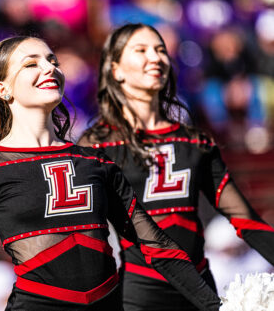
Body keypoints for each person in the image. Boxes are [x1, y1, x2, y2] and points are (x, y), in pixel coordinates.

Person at [0, 36, 221, 311]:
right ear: (3, 89)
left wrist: (217, 306)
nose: (49, 68)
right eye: (31, 63)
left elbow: (156, 244)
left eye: (53, 61)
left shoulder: (94, 161)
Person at [78, 23, 274, 311]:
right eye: (141, 50)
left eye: (160, 50)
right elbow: (84, 233)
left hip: (201, 293)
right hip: (138, 295)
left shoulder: (194, 142)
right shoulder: (97, 145)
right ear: (115, 68)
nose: (155, 57)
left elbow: (247, 221)